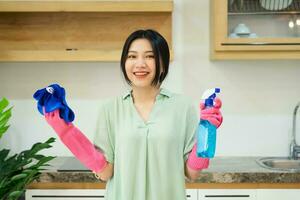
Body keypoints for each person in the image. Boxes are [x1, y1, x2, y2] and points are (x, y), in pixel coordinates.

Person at [40, 29, 222, 200]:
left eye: (150, 56)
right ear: (124, 63)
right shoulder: (110, 108)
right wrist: (65, 131)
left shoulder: (183, 107)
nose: (140, 63)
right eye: (132, 56)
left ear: (162, 64)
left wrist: (208, 131)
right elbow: (105, 172)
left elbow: (192, 173)